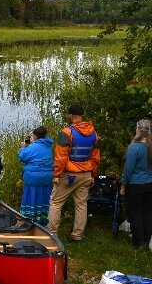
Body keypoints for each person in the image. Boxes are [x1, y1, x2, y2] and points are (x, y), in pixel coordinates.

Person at [47, 104, 101, 243]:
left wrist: (57, 175)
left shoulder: (66, 132)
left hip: (69, 174)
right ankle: (77, 236)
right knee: (81, 205)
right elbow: (95, 157)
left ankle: (52, 234)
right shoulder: (94, 133)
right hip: (86, 174)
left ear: (71, 116)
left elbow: (60, 157)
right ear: (82, 116)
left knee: (55, 202)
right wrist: (93, 175)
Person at [119, 119, 152, 248]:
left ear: (138, 130)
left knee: (135, 213)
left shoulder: (134, 148)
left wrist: (123, 184)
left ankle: (138, 242)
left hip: (136, 185)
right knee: (147, 213)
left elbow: (128, 170)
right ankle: (147, 240)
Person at [18, 126, 54, 224]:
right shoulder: (49, 146)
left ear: (35, 136)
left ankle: (29, 219)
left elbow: (22, 157)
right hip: (47, 177)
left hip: (33, 177)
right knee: (43, 197)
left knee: (31, 196)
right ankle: (42, 218)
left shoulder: (32, 147)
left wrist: (22, 147)